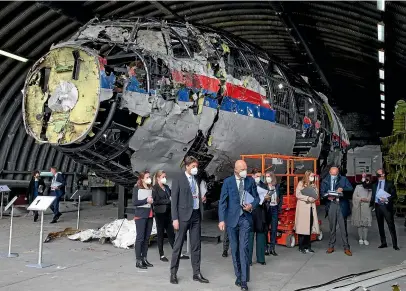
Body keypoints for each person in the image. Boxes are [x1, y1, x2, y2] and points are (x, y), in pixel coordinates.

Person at [218, 160, 260, 291]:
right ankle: (238, 275)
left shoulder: (250, 181)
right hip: (231, 220)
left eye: (246, 168)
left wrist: (251, 206)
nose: (245, 171)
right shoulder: (228, 182)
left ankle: (243, 280)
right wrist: (221, 220)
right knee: (235, 249)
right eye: (242, 169)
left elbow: (257, 198)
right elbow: (223, 202)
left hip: (245, 219)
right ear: (236, 170)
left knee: (244, 248)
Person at [170, 156, 209, 285]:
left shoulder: (196, 179)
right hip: (182, 217)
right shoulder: (178, 179)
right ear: (186, 166)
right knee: (178, 245)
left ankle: (196, 273)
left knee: (196, 245)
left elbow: (195, 194)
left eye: (196, 166)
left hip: (196, 215)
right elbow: (174, 200)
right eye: (193, 166)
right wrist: (175, 218)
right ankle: (173, 273)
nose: (195, 169)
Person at [320, 166, 353, 256]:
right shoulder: (325, 180)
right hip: (331, 205)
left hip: (341, 204)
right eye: (332, 174)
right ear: (330, 173)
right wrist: (327, 196)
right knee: (332, 227)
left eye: (336, 174)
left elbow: (350, 188)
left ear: (338, 173)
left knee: (343, 228)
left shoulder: (343, 179)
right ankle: (331, 246)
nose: (334, 176)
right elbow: (322, 193)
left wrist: (343, 189)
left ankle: (346, 248)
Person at [370, 169, 399, 250]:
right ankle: (383, 242)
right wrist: (363, 178)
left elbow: (394, 195)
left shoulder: (389, 184)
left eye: (381, 174)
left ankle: (395, 244)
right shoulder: (374, 184)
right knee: (380, 225)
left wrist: (386, 199)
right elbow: (365, 185)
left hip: (386, 207)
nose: (379, 176)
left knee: (391, 225)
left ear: (384, 174)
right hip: (378, 206)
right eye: (378, 175)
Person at [133, 171, 154, 269]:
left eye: (149, 177)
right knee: (140, 238)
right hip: (140, 215)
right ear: (142, 179)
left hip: (149, 215)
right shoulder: (137, 188)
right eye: (147, 177)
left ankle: (144, 258)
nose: (149, 178)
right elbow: (135, 202)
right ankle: (138, 260)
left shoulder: (150, 188)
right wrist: (146, 200)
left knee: (146, 238)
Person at [152, 170, 175, 262]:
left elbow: (171, 197)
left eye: (165, 177)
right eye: (163, 177)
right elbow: (155, 201)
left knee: (171, 233)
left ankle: (176, 251)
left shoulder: (166, 187)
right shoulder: (154, 188)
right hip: (160, 213)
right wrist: (167, 201)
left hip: (168, 213)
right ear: (158, 178)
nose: (165, 179)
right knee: (160, 234)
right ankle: (161, 254)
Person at [295, 171, 320, 253]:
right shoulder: (301, 183)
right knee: (302, 228)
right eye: (311, 176)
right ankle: (301, 246)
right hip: (303, 208)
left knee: (309, 227)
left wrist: (314, 197)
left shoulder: (313, 184)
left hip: (311, 208)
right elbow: (298, 194)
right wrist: (307, 198)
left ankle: (308, 246)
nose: (312, 177)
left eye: (313, 176)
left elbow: (316, 194)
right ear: (307, 176)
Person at [248, 169, 267, 266]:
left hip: (260, 211)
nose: (258, 178)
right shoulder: (248, 184)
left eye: (260, 176)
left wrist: (266, 198)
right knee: (250, 236)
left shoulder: (263, 185)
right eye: (257, 176)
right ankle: (248, 260)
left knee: (260, 235)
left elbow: (266, 195)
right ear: (252, 175)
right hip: (250, 211)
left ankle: (261, 258)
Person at [352, 174, 373, 246]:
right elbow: (354, 196)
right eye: (365, 179)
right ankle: (360, 238)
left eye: (368, 180)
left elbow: (370, 198)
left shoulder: (370, 188)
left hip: (366, 207)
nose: (366, 181)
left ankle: (365, 239)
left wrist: (366, 199)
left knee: (365, 224)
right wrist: (360, 199)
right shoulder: (358, 187)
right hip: (358, 207)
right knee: (359, 224)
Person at [264, 171, 281, 256]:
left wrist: (279, 208)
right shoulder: (264, 187)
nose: (267, 178)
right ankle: (266, 248)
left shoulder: (277, 186)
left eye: (269, 176)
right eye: (266, 176)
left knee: (274, 229)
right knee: (266, 229)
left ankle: (272, 248)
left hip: (275, 208)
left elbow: (280, 198)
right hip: (267, 208)